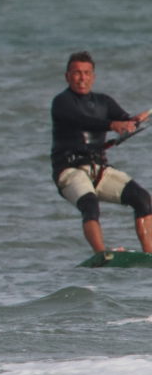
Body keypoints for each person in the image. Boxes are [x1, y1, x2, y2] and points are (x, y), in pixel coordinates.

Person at [51, 51, 152, 254]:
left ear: (93, 77)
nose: (82, 78)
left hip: (99, 169)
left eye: (87, 73)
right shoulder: (62, 102)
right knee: (90, 204)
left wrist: (134, 121)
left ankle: (149, 254)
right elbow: (81, 121)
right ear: (67, 76)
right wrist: (112, 124)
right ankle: (101, 254)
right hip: (70, 171)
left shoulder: (104, 101)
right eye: (77, 73)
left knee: (143, 199)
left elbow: (124, 119)